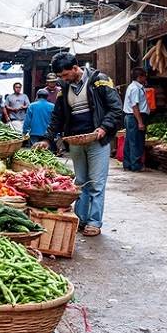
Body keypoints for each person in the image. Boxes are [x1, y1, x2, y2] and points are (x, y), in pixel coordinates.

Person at [37, 51, 122, 237]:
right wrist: (47, 138)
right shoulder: (64, 89)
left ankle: (94, 222)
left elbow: (116, 109)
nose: (62, 79)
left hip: (97, 139)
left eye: (65, 75)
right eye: (60, 77)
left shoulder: (100, 80)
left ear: (75, 68)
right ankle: (80, 219)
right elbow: (57, 117)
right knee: (80, 182)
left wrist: (104, 128)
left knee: (97, 183)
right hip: (75, 141)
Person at [122, 68, 149, 172]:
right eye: (144, 76)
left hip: (131, 117)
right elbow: (135, 106)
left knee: (130, 141)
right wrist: (140, 122)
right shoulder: (135, 89)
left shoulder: (133, 87)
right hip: (134, 117)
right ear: (140, 77)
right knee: (136, 142)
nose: (145, 78)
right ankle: (135, 165)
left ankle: (128, 164)